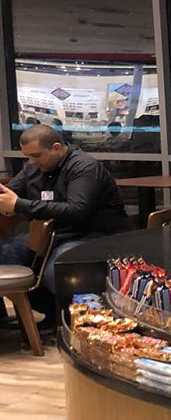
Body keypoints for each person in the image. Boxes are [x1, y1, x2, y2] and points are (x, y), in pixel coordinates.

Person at [0, 125, 131, 321]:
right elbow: (10, 193)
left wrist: (19, 204)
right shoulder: (33, 168)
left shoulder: (84, 167)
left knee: (55, 272)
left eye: (36, 155)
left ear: (56, 147)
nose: (31, 162)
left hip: (92, 234)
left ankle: (69, 321)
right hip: (52, 234)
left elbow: (77, 211)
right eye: (28, 156)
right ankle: (33, 317)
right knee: (5, 255)